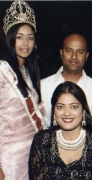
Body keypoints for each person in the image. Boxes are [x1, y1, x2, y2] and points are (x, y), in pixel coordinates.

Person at [29, 81, 92, 180]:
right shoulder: (41, 140)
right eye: (60, 107)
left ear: (83, 111)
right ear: (54, 111)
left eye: (74, 107)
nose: (67, 113)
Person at [0, 1, 47, 179]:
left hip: (32, 157)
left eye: (30, 37)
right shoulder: (2, 71)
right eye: (19, 37)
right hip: (9, 160)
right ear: (10, 38)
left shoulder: (29, 73)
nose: (25, 43)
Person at [41, 33, 92, 128]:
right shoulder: (42, 87)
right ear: (61, 53)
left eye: (79, 52)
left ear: (86, 55)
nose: (74, 57)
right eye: (69, 51)